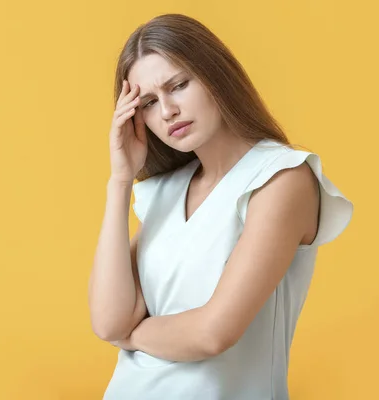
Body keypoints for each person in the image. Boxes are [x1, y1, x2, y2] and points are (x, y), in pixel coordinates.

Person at [88, 13, 353, 400]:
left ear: (215, 74)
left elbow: (213, 333)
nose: (166, 112)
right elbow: (108, 320)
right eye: (147, 102)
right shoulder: (163, 192)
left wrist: (130, 334)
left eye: (178, 85)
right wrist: (120, 181)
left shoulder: (282, 178)